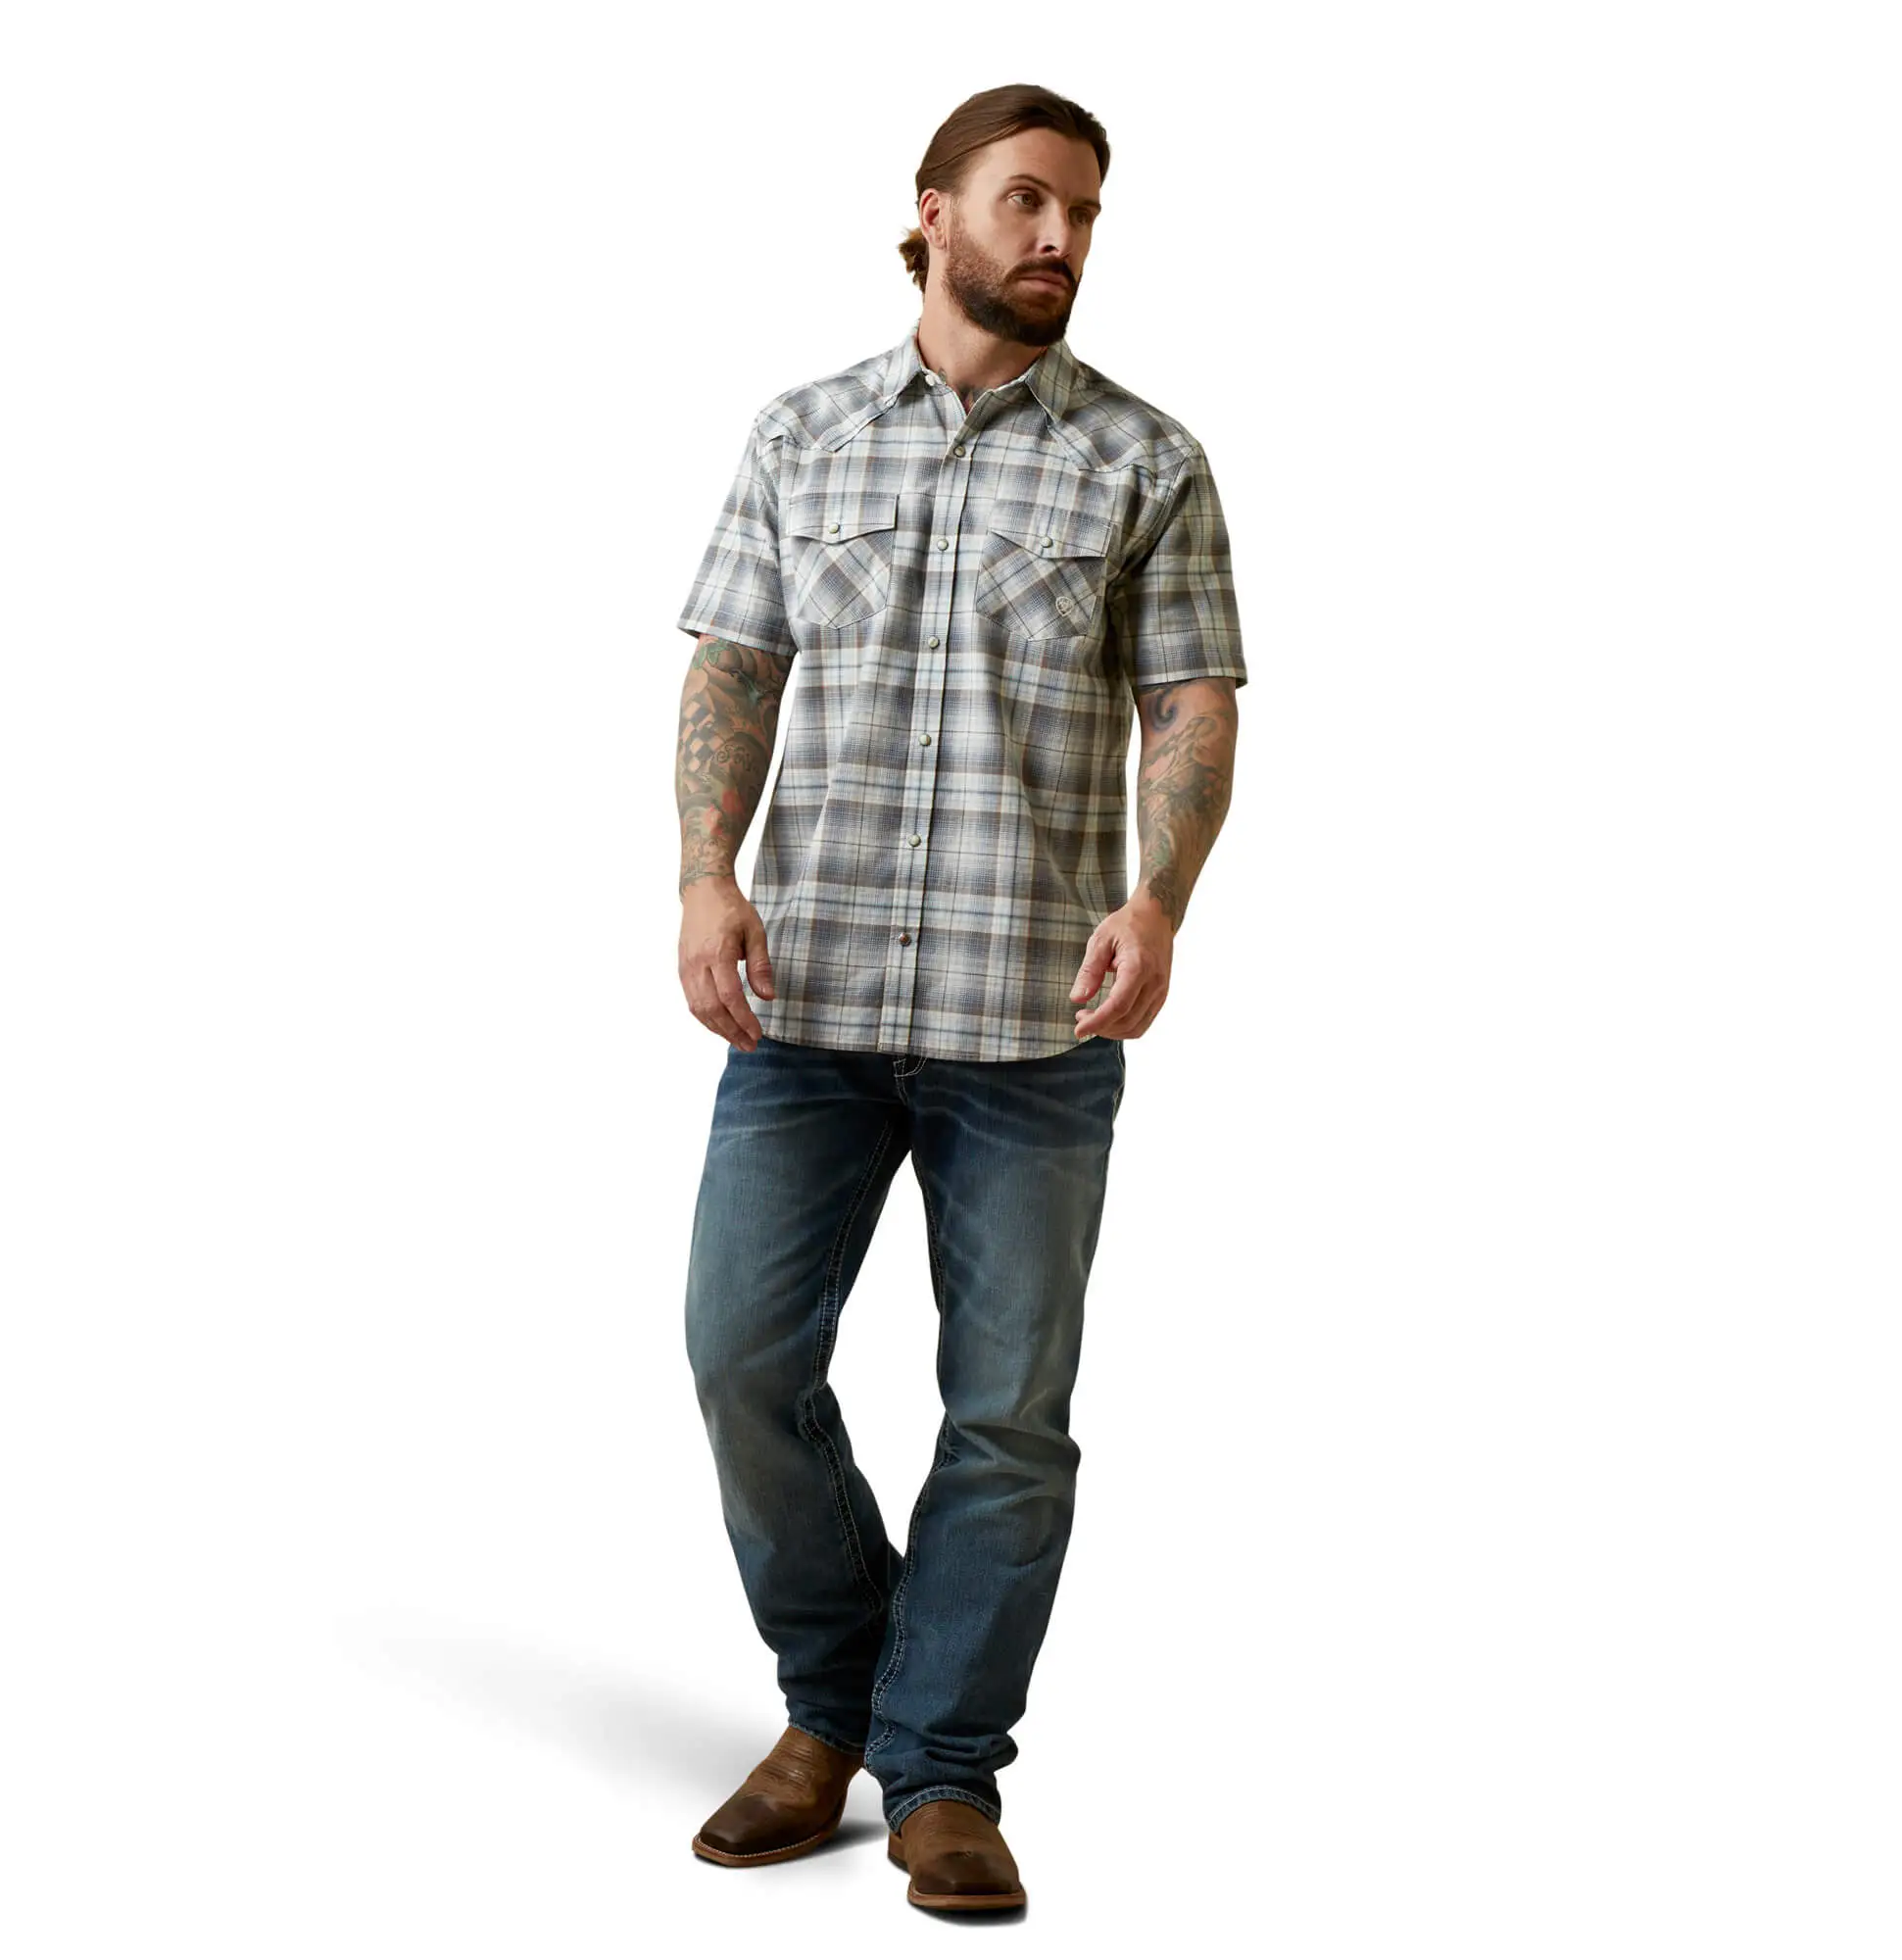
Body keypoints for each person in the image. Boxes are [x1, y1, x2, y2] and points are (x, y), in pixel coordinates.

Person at [670, 81, 1245, 1915]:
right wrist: (704, 873)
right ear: (932, 211)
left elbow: (1191, 702)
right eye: (1026, 201)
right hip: (811, 1003)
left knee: (1007, 1419)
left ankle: (940, 1773)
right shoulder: (803, 434)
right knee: (742, 1357)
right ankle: (834, 1705)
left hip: (1034, 1022)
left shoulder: (1147, 459)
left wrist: (1160, 898)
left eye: (1084, 213)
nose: (1060, 237)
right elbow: (734, 666)